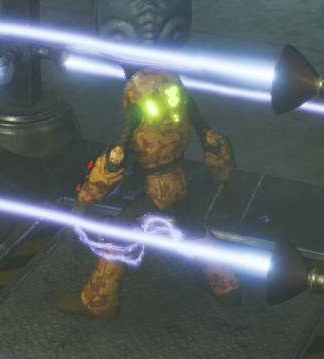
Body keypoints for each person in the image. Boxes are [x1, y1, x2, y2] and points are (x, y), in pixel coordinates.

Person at [57, 70, 242, 320]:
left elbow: (114, 160)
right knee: (188, 225)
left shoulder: (138, 108)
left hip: (157, 190)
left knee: (117, 232)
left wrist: (79, 209)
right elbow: (211, 140)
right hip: (180, 182)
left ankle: (100, 301)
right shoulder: (182, 97)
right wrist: (228, 180)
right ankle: (226, 286)